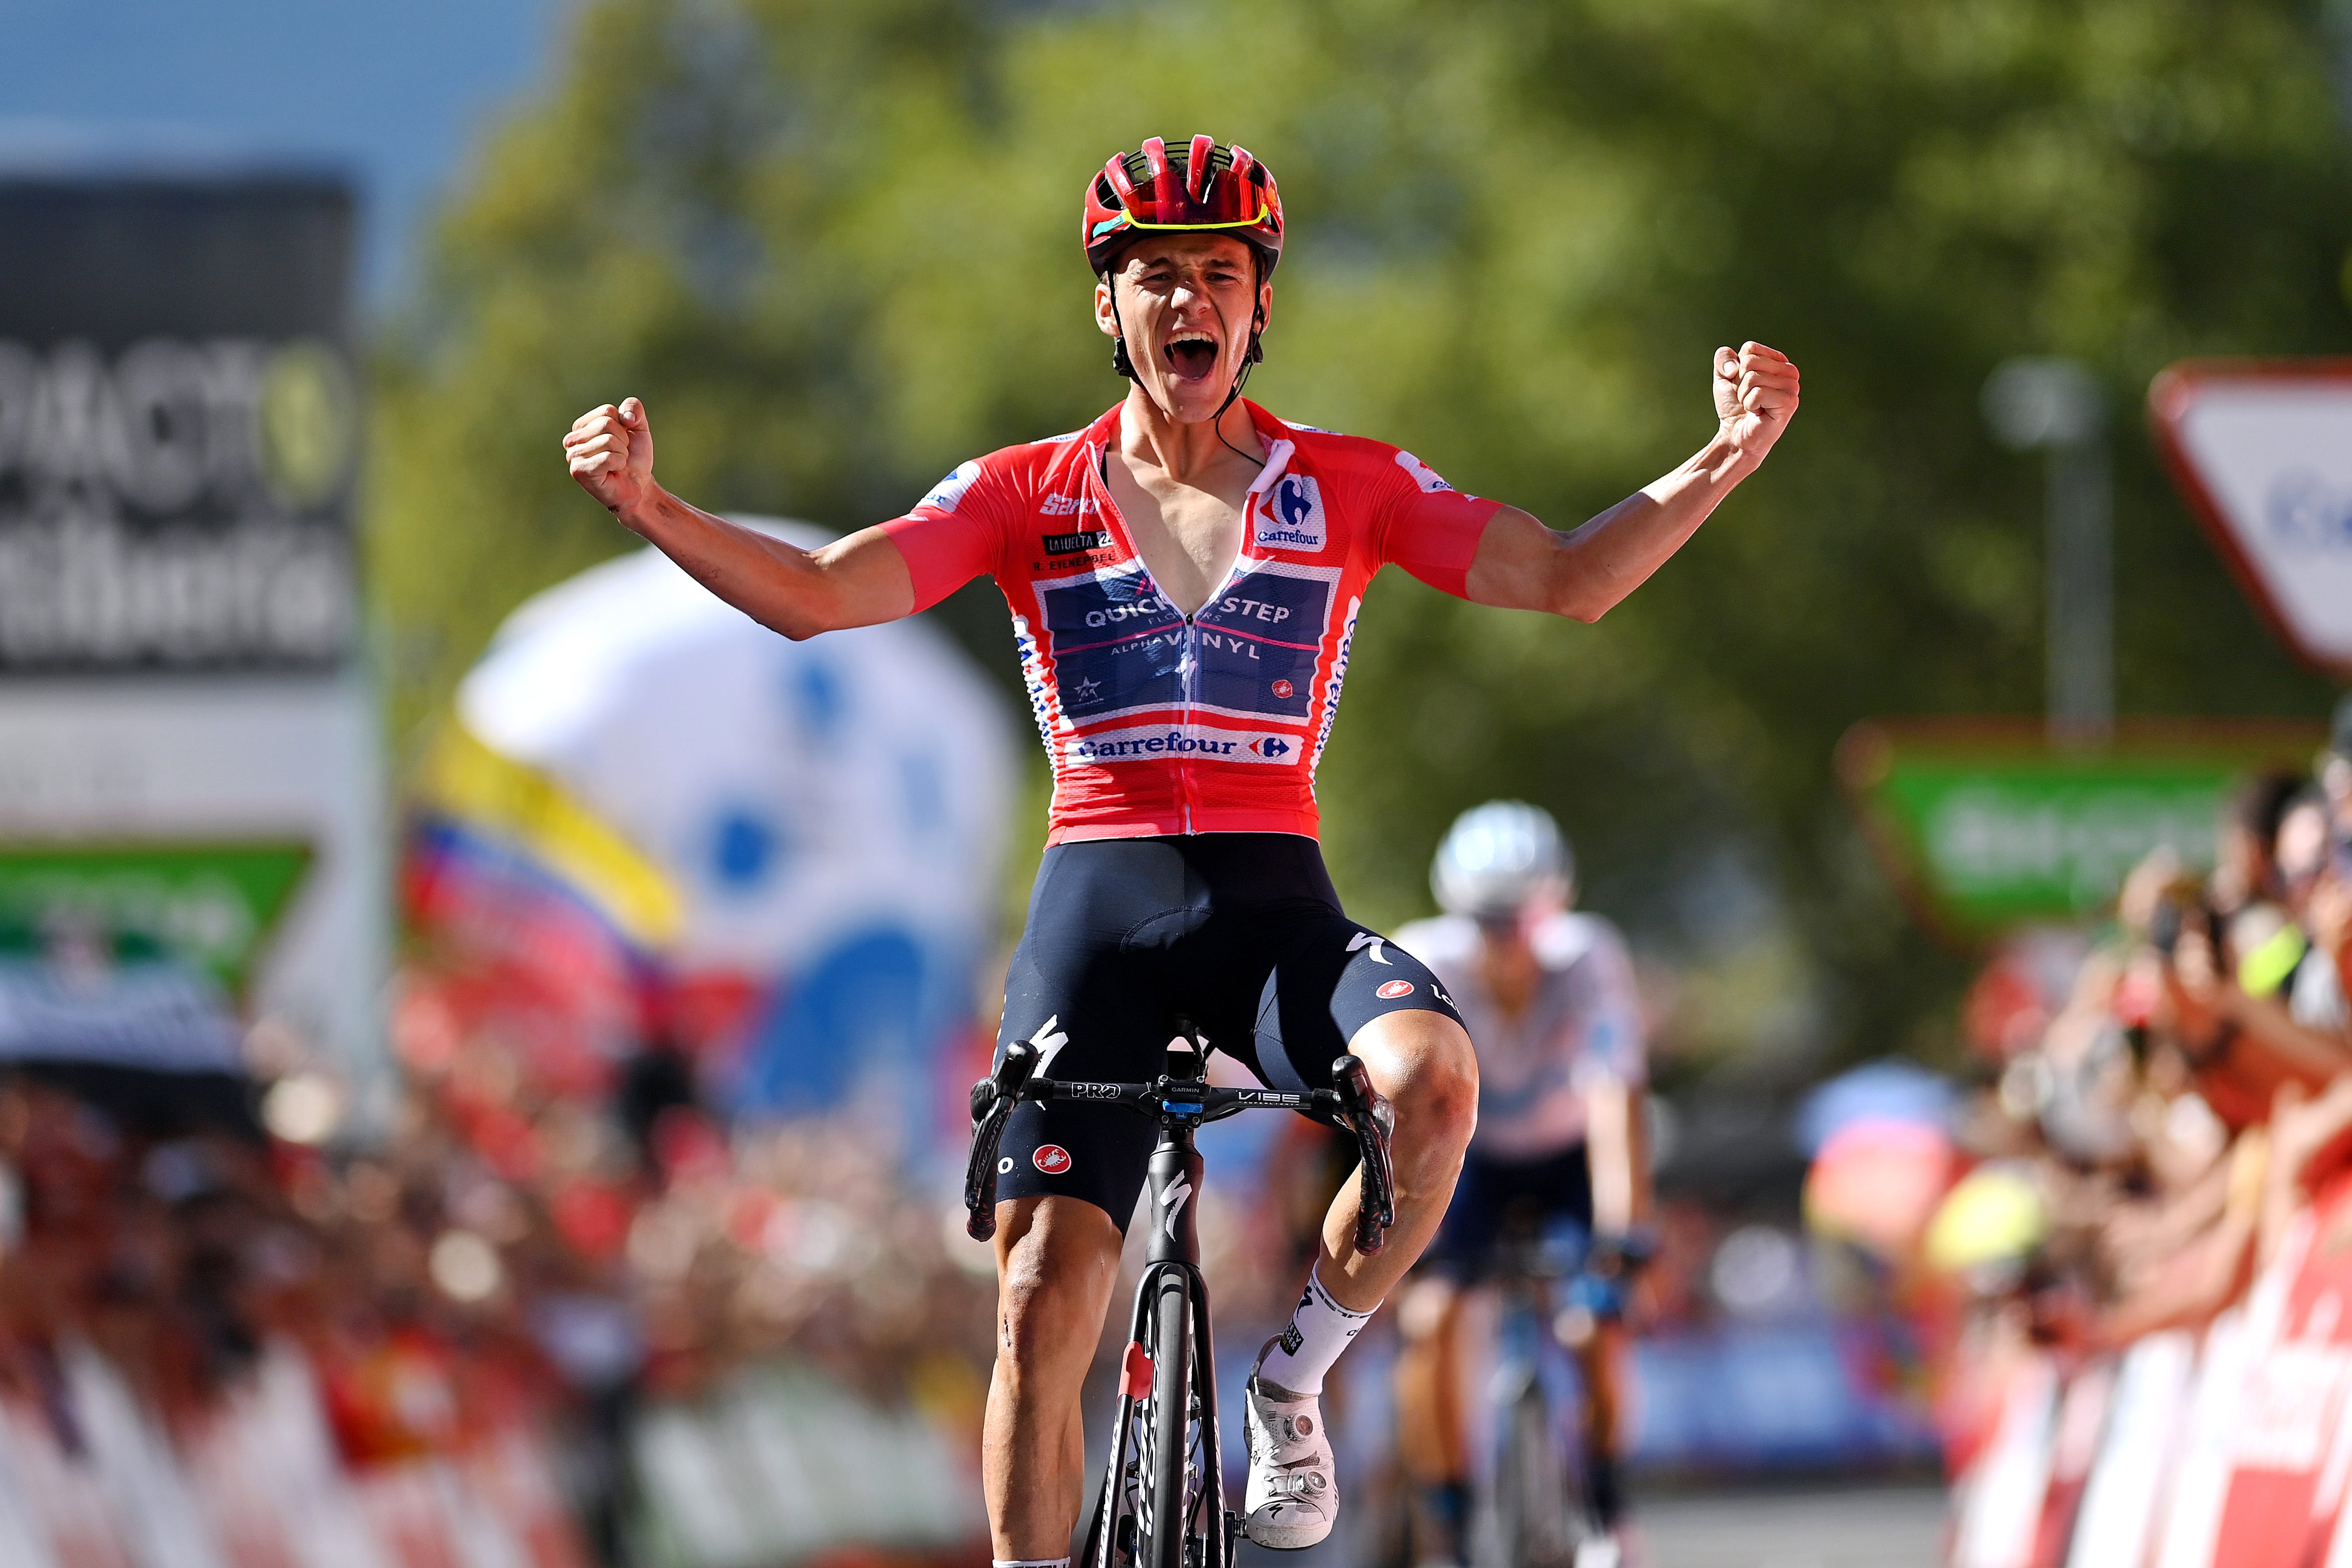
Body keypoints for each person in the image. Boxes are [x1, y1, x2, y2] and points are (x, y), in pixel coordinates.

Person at [563, 134, 1798, 1562]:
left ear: (1255, 306)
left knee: (1433, 1082)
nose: (1185, 300)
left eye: (1217, 272)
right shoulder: (1023, 491)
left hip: (1275, 909)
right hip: (1101, 910)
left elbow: (1573, 579)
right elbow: (820, 594)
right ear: (1109, 308)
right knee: (1040, 1299)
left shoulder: (1349, 485)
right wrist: (655, 508)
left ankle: (1293, 1379)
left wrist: (1725, 455)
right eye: (1154, 275)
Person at [1389, 802, 1653, 1568]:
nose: (1505, 944)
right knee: (1433, 1317)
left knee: (1591, 1321)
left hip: (1568, 1156)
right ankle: (1450, 1521)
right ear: (1457, 913)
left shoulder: (1591, 955)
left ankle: (1607, 1501)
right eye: (1486, 923)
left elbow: (1613, 1102)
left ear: (1556, 908)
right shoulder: (1423, 958)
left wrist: (1621, 1235)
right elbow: (1400, 1113)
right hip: (1468, 1161)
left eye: (1523, 923)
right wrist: (1400, 1224)